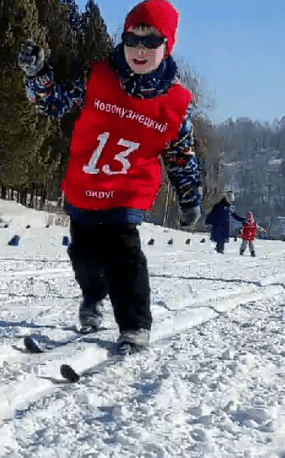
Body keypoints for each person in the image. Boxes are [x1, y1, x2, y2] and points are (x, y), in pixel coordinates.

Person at [17, 0, 202, 355]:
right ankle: (93, 295)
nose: (140, 49)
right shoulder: (98, 77)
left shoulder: (175, 103)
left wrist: (190, 197)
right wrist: (36, 75)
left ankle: (134, 325)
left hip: (128, 191)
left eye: (151, 41)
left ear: (167, 45)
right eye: (133, 39)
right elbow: (52, 103)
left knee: (124, 256)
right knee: (85, 256)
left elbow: (180, 155)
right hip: (86, 185)